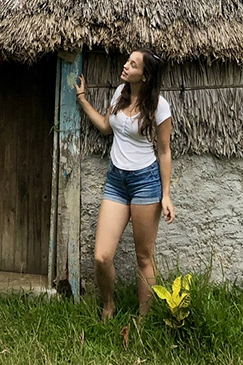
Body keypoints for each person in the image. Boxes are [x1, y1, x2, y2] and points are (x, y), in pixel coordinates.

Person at [75, 49, 174, 318]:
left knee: (144, 258)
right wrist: (82, 99)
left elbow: (164, 151)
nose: (126, 66)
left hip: (145, 182)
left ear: (145, 75)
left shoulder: (159, 106)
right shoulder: (120, 93)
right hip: (116, 181)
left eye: (133, 64)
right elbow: (107, 127)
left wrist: (166, 194)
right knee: (102, 256)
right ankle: (109, 305)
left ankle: (143, 321)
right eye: (127, 62)